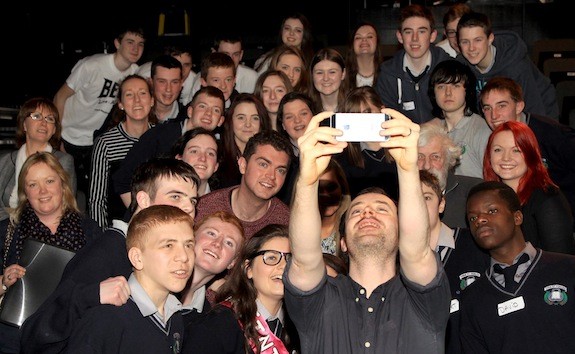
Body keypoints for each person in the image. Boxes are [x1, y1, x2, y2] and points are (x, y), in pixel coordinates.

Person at [284, 108, 450, 353]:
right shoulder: (320, 302)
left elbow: (417, 252)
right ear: (343, 242)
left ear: (401, 234)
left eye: (382, 209)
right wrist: (308, 181)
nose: (368, 213)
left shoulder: (422, 301)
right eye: (356, 211)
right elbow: (304, 260)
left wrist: (407, 168)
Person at [19, 158, 199, 354]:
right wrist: (91, 295)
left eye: (192, 200)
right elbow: (36, 333)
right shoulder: (109, 251)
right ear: (143, 200)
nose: (189, 207)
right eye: (176, 197)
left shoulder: (158, 258)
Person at [0, 152, 102, 353]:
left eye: (49, 181)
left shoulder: (89, 230)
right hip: (16, 340)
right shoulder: (6, 231)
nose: (42, 191)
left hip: (73, 337)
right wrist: (4, 281)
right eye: (33, 184)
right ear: (25, 193)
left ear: (62, 185)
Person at [461, 181, 575, 353]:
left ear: (517, 217)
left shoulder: (567, 269)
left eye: (492, 211)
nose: (480, 220)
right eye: (473, 218)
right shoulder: (473, 298)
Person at [66, 205, 194, 353]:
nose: (184, 256)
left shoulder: (174, 316)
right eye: (168, 245)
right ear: (137, 258)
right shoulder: (106, 318)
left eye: (189, 245)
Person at [54, 26, 145, 198]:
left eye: (140, 44)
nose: (136, 48)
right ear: (117, 43)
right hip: (68, 136)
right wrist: (57, 138)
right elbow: (59, 97)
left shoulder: (135, 72)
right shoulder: (92, 65)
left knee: (96, 192)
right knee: (64, 192)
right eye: (130, 42)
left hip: (95, 141)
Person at [183, 224, 299, 354]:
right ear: (248, 268)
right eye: (271, 257)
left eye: (290, 260)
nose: (283, 266)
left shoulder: (299, 328)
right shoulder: (217, 325)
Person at [479, 76, 575, 229]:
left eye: (501, 106)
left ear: (519, 106)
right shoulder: (492, 137)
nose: (494, 115)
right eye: (487, 108)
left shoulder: (551, 134)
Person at [112, 86, 225, 207]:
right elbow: (122, 179)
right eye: (202, 106)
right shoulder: (159, 136)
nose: (208, 114)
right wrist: (143, 213)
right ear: (190, 111)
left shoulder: (218, 151)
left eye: (216, 110)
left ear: (220, 121)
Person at [419, 169, 489, 354]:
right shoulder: (395, 259)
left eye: (426, 198)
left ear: (441, 204)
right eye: (411, 199)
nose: (418, 206)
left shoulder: (475, 243)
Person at [483, 121, 574, 254]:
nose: (506, 158)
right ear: (489, 156)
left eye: (516, 150)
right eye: (498, 150)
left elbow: (561, 261)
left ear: (530, 155)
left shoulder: (548, 199)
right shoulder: (487, 197)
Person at [456, 11, 559, 119]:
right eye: (465, 42)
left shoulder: (515, 65)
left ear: (490, 39)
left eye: (478, 40)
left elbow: (535, 108)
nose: (471, 48)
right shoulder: (461, 67)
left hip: (541, 115)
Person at [195, 130, 293, 239]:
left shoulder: (287, 224)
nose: (271, 176)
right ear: (243, 165)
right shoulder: (204, 208)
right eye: (263, 164)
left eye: (280, 170)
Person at [89, 74, 155, 229]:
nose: (137, 100)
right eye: (129, 95)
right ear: (120, 104)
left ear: (152, 100)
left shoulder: (162, 137)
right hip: (118, 228)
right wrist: (101, 237)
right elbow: (97, 200)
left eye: (143, 93)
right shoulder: (105, 143)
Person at [0, 97, 76, 221]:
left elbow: (67, 205)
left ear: (54, 130)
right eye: (37, 116)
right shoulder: (5, 160)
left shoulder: (63, 161)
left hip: (46, 228)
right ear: (24, 124)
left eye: (50, 119)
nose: (43, 123)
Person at [376, 4, 451, 124]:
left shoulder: (449, 68)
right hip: (403, 139)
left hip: (443, 137)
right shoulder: (387, 75)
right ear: (400, 37)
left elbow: (456, 116)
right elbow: (387, 120)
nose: (415, 39)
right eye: (408, 32)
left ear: (432, 36)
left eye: (421, 31)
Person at [179, 211, 246, 325]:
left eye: (229, 243)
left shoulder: (206, 319)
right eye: (211, 233)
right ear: (192, 236)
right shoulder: (153, 279)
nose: (217, 243)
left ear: (232, 262)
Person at [427, 59, 490, 178]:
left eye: (456, 86)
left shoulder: (481, 130)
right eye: (441, 87)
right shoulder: (430, 129)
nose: (448, 93)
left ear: (467, 91)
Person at [334, 86, 399, 200]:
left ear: (382, 111)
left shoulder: (400, 148)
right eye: (356, 116)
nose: (362, 120)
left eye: (367, 112)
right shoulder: (344, 160)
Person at [417, 122, 483, 229]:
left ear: (448, 160)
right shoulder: (397, 194)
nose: (427, 165)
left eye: (435, 157)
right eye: (420, 157)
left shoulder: (473, 190)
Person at [218, 93, 271, 188]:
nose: (248, 124)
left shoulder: (271, 158)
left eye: (255, 118)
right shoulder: (217, 156)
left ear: (262, 122)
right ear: (231, 121)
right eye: (241, 118)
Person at [275, 92, 316, 205]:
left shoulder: (332, 152)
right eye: (289, 117)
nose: (297, 120)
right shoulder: (278, 160)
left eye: (303, 114)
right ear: (283, 124)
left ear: (314, 117)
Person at [171, 127, 221, 197]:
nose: (203, 158)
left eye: (210, 153)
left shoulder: (221, 204)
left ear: (216, 166)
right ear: (179, 158)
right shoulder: (163, 197)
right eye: (194, 151)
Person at [318, 159, 350, 256]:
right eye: (318, 189)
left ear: (342, 189)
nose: (326, 195)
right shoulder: (292, 227)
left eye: (331, 187)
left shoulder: (352, 227)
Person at [344, 21, 384, 90]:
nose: (364, 40)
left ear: (377, 43)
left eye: (369, 36)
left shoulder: (388, 74)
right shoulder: (343, 77)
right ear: (352, 45)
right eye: (358, 37)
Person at [309, 47, 347, 113]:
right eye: (319, 72)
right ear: (312, 75)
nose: (326, 78)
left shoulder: (356, 106)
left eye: (332, 72)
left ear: (343, 74)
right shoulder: (305, 108)